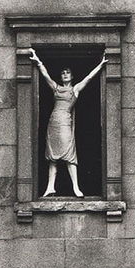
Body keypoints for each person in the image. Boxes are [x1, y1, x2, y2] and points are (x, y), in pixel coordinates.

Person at [27, 50, 103, 198]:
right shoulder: (56, 88)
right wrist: (37, 60)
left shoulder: (75, 89)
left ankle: (76, 187)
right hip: (53, 123)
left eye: (68, 72)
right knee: (52, 156)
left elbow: (89, 77)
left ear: (72, 76)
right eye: (63, 72)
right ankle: (50, 187)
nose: (65, 74)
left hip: (65, 123)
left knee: (69, 153)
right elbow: (45, 75)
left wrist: (100, 65)